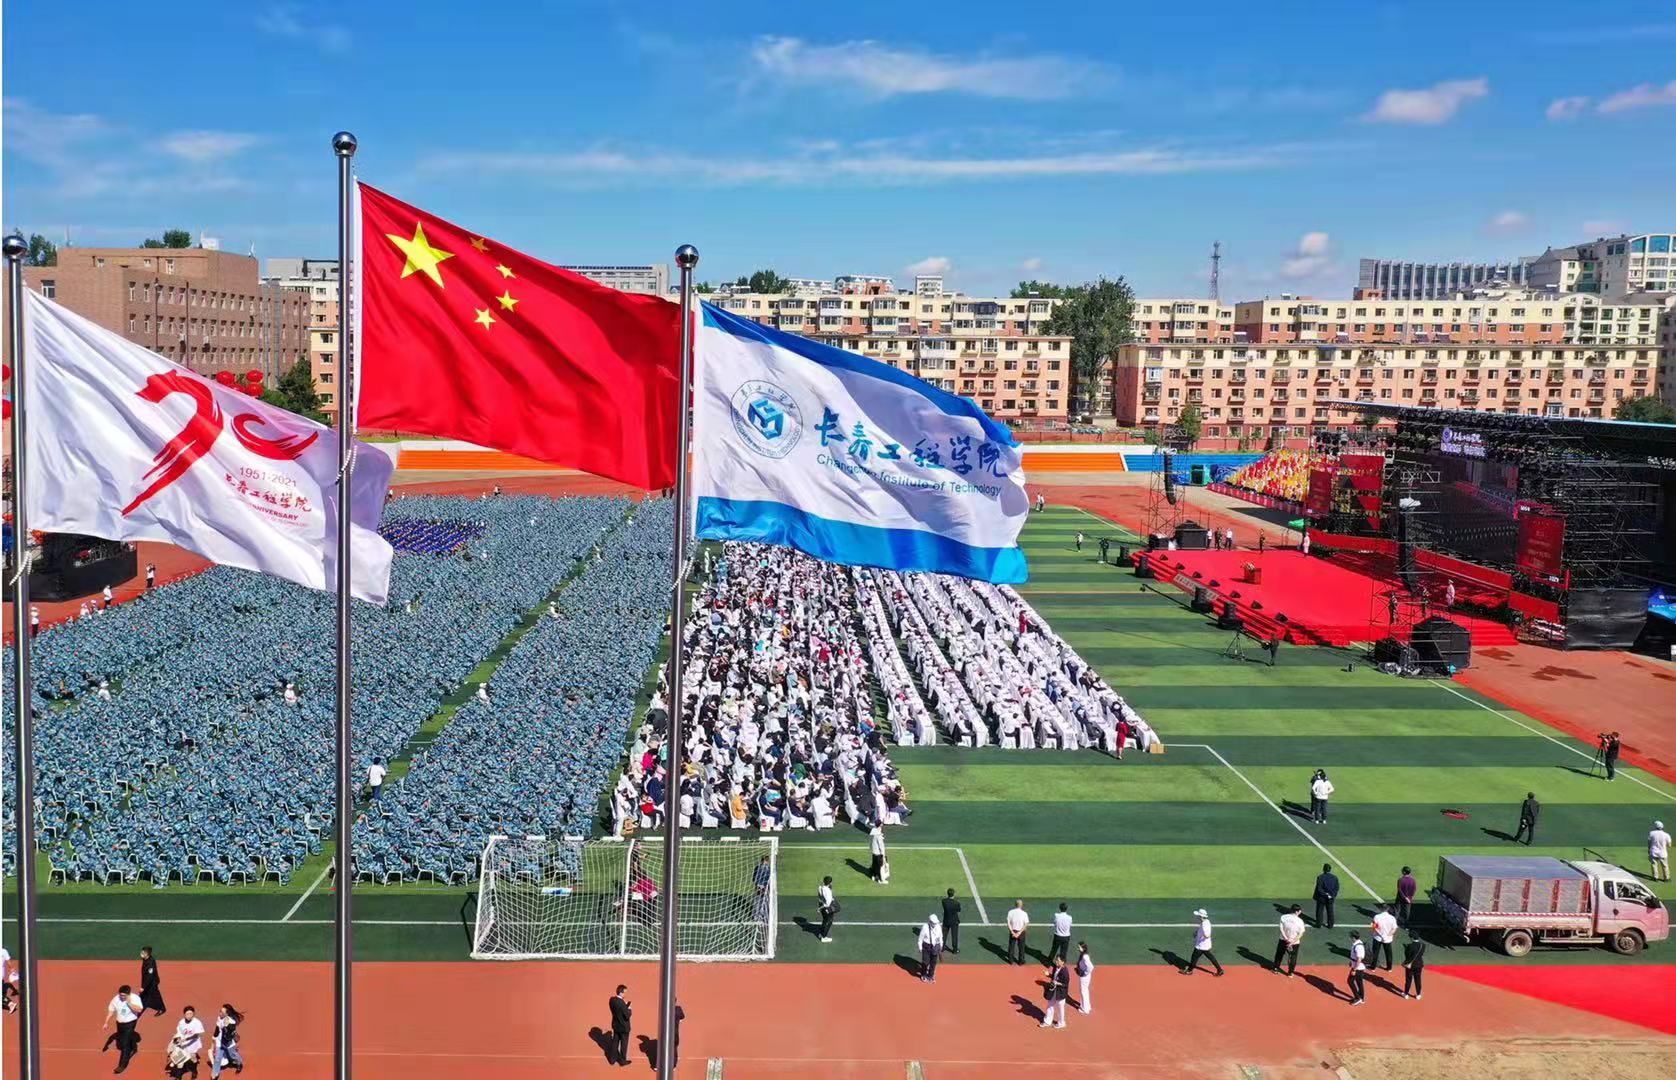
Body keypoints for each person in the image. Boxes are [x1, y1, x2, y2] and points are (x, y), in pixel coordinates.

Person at [103, 983, 145, 1073]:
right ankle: (133, 1047)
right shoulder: (116, 998)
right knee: (123, 1040)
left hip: (130, 1023)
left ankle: (122, 1066)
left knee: (125, 1044)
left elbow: (139, 1009)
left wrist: (129, 1003)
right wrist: (106, 1022)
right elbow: (111, 1010)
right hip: (119, 1024)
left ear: (129, 994)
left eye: (124, 996)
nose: (122, 997)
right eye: (120, 995)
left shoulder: (135, 998)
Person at [167, 1004, 205, 1078]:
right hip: (183, 1045)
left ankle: (194, 1071)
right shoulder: (181, 1022)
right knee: (179, 1061)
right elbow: (179, 1033)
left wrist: (186, 1039)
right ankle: (178, 1077)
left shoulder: (197, 1022)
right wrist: (176, 1040)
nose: (189, 1016)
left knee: (193, 1058)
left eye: (191, 1014)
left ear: (193, 1014)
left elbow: (199, 1034)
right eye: (187, 1014)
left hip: (193, 1045)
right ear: (184, 1014)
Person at [1184, 908, 1224, 975]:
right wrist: (1196, 932)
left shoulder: (1204, 924)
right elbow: (1201, 929)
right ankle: (1220, 970)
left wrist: (1205, 935)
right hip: (1204, 945)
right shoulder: (1205, 921)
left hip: (1201, 945)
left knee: (1194, 957)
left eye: (1198, 916)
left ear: (1201, 916)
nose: (1197, 917)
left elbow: (1207, 935)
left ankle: (1189, 970)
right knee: (1210, 957)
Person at [209, 1004, 244, 1077]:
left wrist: (226, 1027)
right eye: (220, 1011)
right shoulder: (219, 1017)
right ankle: (215, 1074)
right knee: (217, 1059)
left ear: (227, 1014)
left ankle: (239, 1063)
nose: (220, 1013)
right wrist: (214, 1036)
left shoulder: (231, 1022)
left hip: (229, 1044)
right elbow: (217, 1027)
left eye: (222, 1012)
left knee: (233, 1056)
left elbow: (228, 1037)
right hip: (219, 1042)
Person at [1274, 904, 1306, 977]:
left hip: (1283, 940)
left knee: (1279, 954)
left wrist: (1286, 938)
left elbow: (1281, 929)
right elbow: (1300, 933)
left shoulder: (1283, 917)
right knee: (1293, 957)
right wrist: (1292, 942)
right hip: (1294, 943)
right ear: (1297, 912)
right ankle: (1290, 973)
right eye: (1300, 911)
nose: (1300, 912)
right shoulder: (1300, 921)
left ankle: (1276, 968)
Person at [1040, 955, 1070, 1028]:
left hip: (1061, 992)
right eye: (1056, 960)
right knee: (1050, 1004)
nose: (1056, 961)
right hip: (1054, 990)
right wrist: (1048, 975)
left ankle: (1061, 1023)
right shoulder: (1055, 967)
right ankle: (1047, 1021)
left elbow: (1065, 984)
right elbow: (1054, 976)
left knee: (1060, 1007)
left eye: (1058, 960)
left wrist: (1057, 983)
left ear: (1062, 962)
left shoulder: (1065, 972)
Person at [608, 985, 632, 1067]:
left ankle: (612, 1060)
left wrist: (625, 1006)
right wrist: (629, 1008)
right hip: (624, 1027)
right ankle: (622, 1061)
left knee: (615, 1042)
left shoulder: (612, 1000)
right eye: (625, 992)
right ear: (621, 993)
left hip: (616, 1025)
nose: (625, 994)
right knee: (624, 1044)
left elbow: (618, 1010)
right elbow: (627, 1015)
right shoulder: (621, 1003)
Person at [1370, 904, 1398, 971]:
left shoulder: (1377, 917)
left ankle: (1373, 967)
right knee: (1388, 953)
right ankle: (1389, 968)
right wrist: (1388, 935)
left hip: (1377, 937)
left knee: (1375, 952)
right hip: (1388, 939)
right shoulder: (1392, 918)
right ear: (1388, 909)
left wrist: (1381, 934)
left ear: (1381, 909)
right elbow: (1394, 928)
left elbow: (1374, 927)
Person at [139, 946, 166, 1016]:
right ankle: (142, 1005)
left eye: (143, 953)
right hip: (149, 982)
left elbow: (149, 977)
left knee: (155, 995)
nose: (141, 954)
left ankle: (162, 1009)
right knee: (145, 995)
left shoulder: (150, 962)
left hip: (152, 983)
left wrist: (143, 987)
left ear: (147, 954)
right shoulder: (146, 959)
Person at [917, 913, 944, 982]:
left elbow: (940, 937)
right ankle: (923, 974)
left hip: (936, 946)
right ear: (930, 922)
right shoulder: (925, 927)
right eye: (934, 923)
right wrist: (920, 947)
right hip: (926, 946)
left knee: (933, 962)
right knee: (925, 962)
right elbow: (920, 938)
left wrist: (941, 945)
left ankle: (931, 975)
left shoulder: (938, 926)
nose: (935, 924)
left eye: (936, 923)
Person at [1400, 931, 1426, 1000]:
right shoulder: (1423, 945)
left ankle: (1406, 994)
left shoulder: (1410, 946)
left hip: (1411, 965)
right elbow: (1421, 954)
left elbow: (1407, 956)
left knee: (1409, 979)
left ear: (1411, 938)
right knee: (1418, 979)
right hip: (1419, 965)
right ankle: (1418, 995)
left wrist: (1406, 949)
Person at [1313, 863, 1340, 929]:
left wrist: (1325, 894)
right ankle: (1330, 925)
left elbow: (1319, 888)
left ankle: (1319, 924)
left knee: (1319, 911)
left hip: (1321, 897)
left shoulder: (1320, 877)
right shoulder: (1335, 878)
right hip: (1331, 897)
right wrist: (1332, 895)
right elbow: (1336, 888)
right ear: (1330, 869)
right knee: (1330, 911)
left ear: (1323, 869)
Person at [1047, 902, 1073, 967]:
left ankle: (1048, 963)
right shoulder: (1070, 917)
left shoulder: (1056, 915)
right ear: (1066, 909)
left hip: (1057, 936)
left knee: (1054, 949)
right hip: (1066, 937)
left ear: (1060, 908)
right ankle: (1062, 965)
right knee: (1064, 952)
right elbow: (1070, 925)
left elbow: (1054, 923)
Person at [1006, 900, 1030, 965]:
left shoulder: (1010, 912)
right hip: (1021, 932)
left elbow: (1008, 923)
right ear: (1021, 905)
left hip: (1013, 931)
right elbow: (1026, 924)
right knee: (1021, 947)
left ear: (1015, 904)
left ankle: (1010, 960)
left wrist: (1012, 932)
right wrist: (1019, 932)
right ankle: (1021, 961)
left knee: (1011, 946)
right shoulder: (1024, 913)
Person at [1346, 932, 1367, 1006]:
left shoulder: (1358, 946)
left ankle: (1357, 998)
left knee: (1350, 981)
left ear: (1353, 937)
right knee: (1359, 982)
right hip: (1358, 966)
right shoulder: (1357, 943)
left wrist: (1354, 969)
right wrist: (1351, 962)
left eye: (1351, 937)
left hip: (1358, 968)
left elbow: (1359, 959)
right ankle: (1361, 997)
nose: (1350, 938)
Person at [1074, 942, 1094, 1014]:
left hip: (1084, 976)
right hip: (1086, 976)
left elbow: (1091, 967)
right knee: (1085, 990)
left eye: (1079, 947)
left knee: (1083, 991)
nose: (1078, 948)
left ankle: (1084, 1009)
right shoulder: (1085, 955)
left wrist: (1085, 973)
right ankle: (1087, 1006)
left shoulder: (1085, 957)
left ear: (1083, 948)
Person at [816, 876, 837, 943]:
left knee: (825, 920)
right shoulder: (828, 891)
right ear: (830, 883)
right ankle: (823, 937)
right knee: (829, 921)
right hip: (826, 908)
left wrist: (820, 907)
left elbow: (819, 897)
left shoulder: (820, 887)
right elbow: (827, 904)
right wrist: (820, 908)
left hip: (821, 905)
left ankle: (821, 934)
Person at [941, 888, 963, 954]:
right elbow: (959, 910)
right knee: (954, 936)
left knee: (944, 935)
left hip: (946, 920)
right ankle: (955, 950)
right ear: (953, 894)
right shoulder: (956, 903)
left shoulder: (943, 901)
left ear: (947, 894)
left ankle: (942, 947)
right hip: (954, 921)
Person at [0, 945, 16, 1013]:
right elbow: (9, 962)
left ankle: (10, 1004)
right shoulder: (4, 951)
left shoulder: (3, 951)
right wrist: (12, 969)